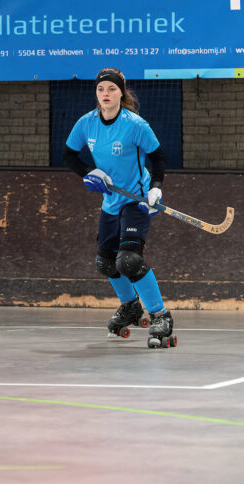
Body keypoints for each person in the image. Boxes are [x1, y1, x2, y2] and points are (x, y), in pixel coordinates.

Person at [63, 67, 175, 348]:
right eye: (101, 89)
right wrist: (89, 172)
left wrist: (156, 188)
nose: (106, 94)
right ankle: (130, 307)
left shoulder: (135, 124)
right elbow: (69, 154)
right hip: (111, 201)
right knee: (105, 262)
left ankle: (160, 315)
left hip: (137, 199)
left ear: (121, 93)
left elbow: (158, 157)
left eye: (111, 89)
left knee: (129, 261)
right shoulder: (86, 123)